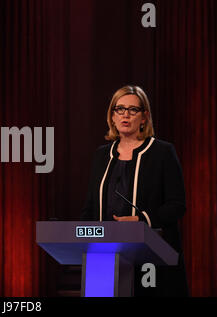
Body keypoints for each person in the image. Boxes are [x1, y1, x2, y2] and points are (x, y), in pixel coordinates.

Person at [80, 85, 189, 297]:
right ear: (112, 116)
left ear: (144, 117)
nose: (125, 115)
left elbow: (177, 205)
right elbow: (90, 207)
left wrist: (142, 219)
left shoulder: (162, 152)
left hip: (150, 257)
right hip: (103, 256)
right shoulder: (101, 155)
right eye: (119, 109)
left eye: (133, 110)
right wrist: (82, 235)